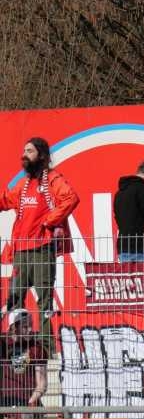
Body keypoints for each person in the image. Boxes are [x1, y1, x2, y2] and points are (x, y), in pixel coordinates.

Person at [0, 137, 79, 349]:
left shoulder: (52, 178)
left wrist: (49, 221)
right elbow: (6, 199)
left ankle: (46, 350)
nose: (24, 155)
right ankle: (16, 348)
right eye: (24, 151)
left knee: (44, 302)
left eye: (29, 151)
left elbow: (71, 198)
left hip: (42, 249)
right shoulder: (24, 184)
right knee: (15, 300)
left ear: (42, 155)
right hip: (21, 250)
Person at [113, 160, 144, 261]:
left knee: (127, 272)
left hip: (123, 247)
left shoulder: (119, 193)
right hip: (143, 247)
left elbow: (117, 218)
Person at [1, 309, 47, 412]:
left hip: (29, 403)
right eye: (25, 327)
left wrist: (30, 404)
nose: (30, 329)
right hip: (5, 404)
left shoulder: (36, 348)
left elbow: (42, 383)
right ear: (14, 328)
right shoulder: (3, 343)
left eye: (31, 325)